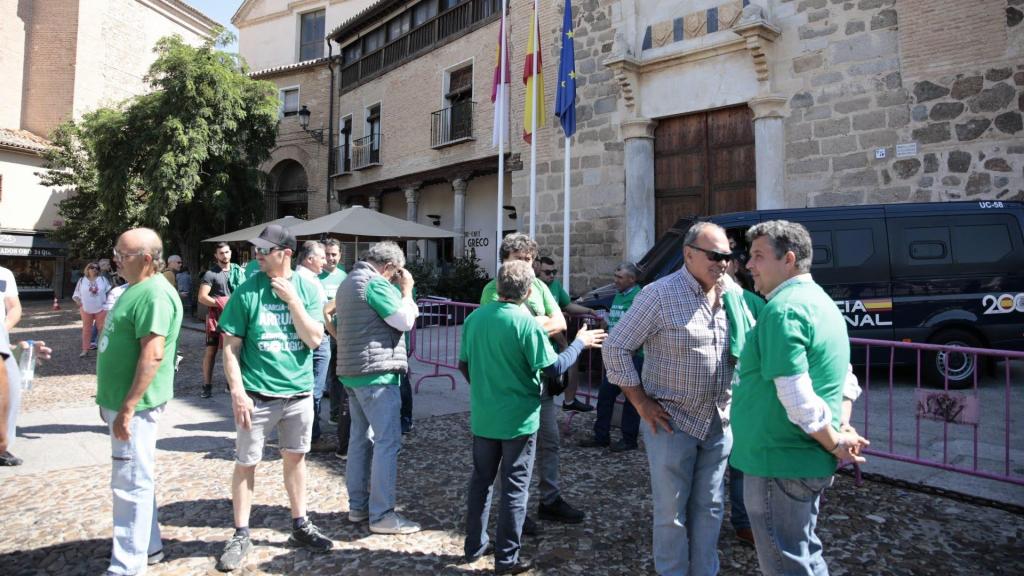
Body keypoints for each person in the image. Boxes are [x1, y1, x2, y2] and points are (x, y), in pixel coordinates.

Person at [732, 220, 869, 576]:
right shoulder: (820, 302)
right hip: (797, 459)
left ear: (788, 259)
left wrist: (836, 440)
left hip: (779, 459)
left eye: (758, 256)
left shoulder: (784, 310)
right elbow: (845, 377)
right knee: (802, 551)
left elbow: (796, 395)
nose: (749, 265)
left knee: (784, 561)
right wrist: (840, 426)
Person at [602, 221, 735, 576]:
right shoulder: (659, 294)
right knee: (671, 514)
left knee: (710, 507)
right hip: (672, 423)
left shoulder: (730, 293)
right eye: (714, 255)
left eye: (727, 256)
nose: (722, 262)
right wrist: (641, 403)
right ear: (688, 254)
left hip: (718, 421)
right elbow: (615, 348)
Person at [460, 261, 606, 574]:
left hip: (485, 416)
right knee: (515, 488)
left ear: (498, 287)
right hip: (519, 419)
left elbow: (464, 364)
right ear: (528, 291)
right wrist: (580, 343)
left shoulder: (474, 318)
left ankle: (474, 546)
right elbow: (553, 367)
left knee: (481, 482)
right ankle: (507, 559)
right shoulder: (525, 323)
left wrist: (484, 389)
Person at [216, 224, 333, 572]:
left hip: (298, 394)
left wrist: (293, 301)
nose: (258, 254)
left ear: (284, 254)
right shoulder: (247, 291)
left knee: (295, 459)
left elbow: (314, 340)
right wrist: (237, 391)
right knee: (246, 461)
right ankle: (240, 533)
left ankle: (299, 524)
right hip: (257, 395)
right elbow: (230, 348)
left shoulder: (307, 290)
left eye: (265, 250)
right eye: (257, 249)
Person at [480, 234, 583, 532]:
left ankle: (549, 499)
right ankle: (514, 512)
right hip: (511, 384)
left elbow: (560, 322)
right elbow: (504, 326)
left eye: (528, 260)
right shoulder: (491, 289)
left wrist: (523, 326)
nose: (525, 265)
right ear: (505, 260)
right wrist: (534, 326)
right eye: (518, 259)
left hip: (541, 382)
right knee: (511, 455)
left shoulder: (538, 286)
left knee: (550, 442)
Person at [96, 228, 182, 575]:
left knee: (130, 483)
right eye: (117, 251)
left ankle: (127, 565)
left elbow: (153, 354)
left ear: (147, 259)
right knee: (136, 477)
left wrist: (129, 406)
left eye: (123, 254)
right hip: (124, 402)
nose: (116, 258)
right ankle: (148, 546)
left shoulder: (155, 294)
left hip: (137, 406)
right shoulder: (136, 289)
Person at [335, 241, 420, 535]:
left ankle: (358, 507)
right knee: (388, 441)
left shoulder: (348, 281)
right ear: (388, 267)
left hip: (353, 372)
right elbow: (406, 320)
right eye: (394, 273)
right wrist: (406, 291)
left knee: (360, 440)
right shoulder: (374, 284)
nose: (394, 278)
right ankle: (382, 514)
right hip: (377, 376)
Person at [578, 262, 643, 453]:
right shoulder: (619, 296)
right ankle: (601, 436)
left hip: (633, 356)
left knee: (632, 400)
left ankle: (629, 440)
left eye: (619, 277)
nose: (615, 280)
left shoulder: (638, 297)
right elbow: (613, 320)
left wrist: (631, 350)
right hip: (616, 356)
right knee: (606, 396)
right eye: (615, 276)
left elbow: (641, 326)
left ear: (632, 279)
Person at [534, 256, 597, 413]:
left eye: (554, 271)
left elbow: (568, 305)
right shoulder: (535, 286)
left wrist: (589, 310)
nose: (552, 275)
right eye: (548, 272)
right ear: (537, 271)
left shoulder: (555, 284)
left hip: (555, 340)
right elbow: (544, 317)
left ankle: (569, 401)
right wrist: (563, 343)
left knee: (572, 360)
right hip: (541, 341)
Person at [294, 241, 331, 446]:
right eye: (322, 257)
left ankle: (308, 434)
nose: (325, 261)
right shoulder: (302, 281)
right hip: (314, 340)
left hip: (317, 338)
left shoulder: (310, 279)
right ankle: (312, 437)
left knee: (313, 390)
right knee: (314, 391)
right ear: (309, 259)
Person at [197, 242, 245, 398]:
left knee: (233, 351)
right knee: (210, 351)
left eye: (227, 252)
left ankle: (231, 384)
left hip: (234, 317)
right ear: (216, 256)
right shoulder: (211, 274)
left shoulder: (239, 271)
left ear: (230, 253)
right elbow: (202, 297)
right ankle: (206, 386)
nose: (225, 256)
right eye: (221, 253)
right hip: (216, 318)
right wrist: (222, 303)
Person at [318, 239, 348, 457]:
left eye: (334, 254)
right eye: (327, 254)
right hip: (319, 333)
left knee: (339, 376)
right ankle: (314, 423)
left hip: (339, 332)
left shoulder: (344, 276)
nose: (331, 258)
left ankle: (336, 413)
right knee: (318, 380)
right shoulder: (314, 275)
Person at [0, 264, 23, 466]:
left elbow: (14, 307)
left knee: (8, 393)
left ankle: (2, 446)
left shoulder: (4, 274)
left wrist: (2, 330)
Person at [73, 262, 112, 357]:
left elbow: (109, 291)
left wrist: (107, 304)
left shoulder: (102, 279)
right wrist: (79, 303)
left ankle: (105, 350)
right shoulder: (82, 280)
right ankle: (85, 350)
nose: (94, 269)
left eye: (97, 268)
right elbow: (76, 294)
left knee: (102, 330)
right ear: (87, 269)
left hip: (101, 309)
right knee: (86, 330)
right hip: (86, 309)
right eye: (92, 267)